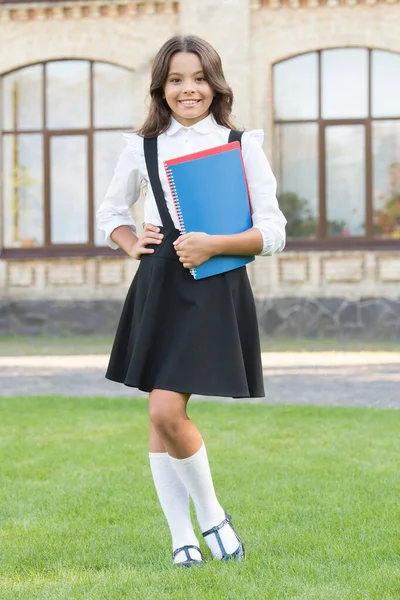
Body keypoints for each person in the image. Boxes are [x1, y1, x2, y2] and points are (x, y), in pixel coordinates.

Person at [96, 35, 286, 568]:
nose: (188, 89)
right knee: (162, 413)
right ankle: (184, 537)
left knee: (164, 409)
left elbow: (273, 232)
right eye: (176, 79)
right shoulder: (142, 146)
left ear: (214, 83)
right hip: (160, 283)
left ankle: (211, 516)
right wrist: (134, 244)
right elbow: (110, 213)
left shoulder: (240, 143)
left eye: (198, 78)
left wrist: (214, 244)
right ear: (161, 87)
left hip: (215, 283)